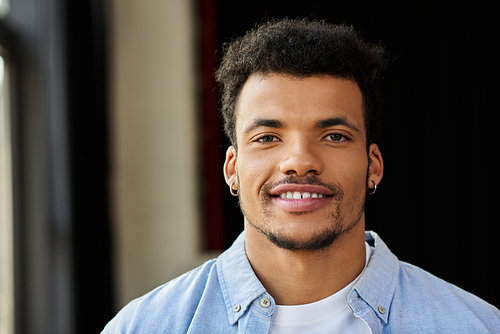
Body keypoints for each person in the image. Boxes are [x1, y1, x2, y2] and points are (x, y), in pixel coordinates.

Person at [102, 18, 500, 333]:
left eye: (333, 135)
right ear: (232, 169)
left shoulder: (474, 325)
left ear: (373, 165)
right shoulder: (142, 327)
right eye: (267, 137)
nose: (299, 161)